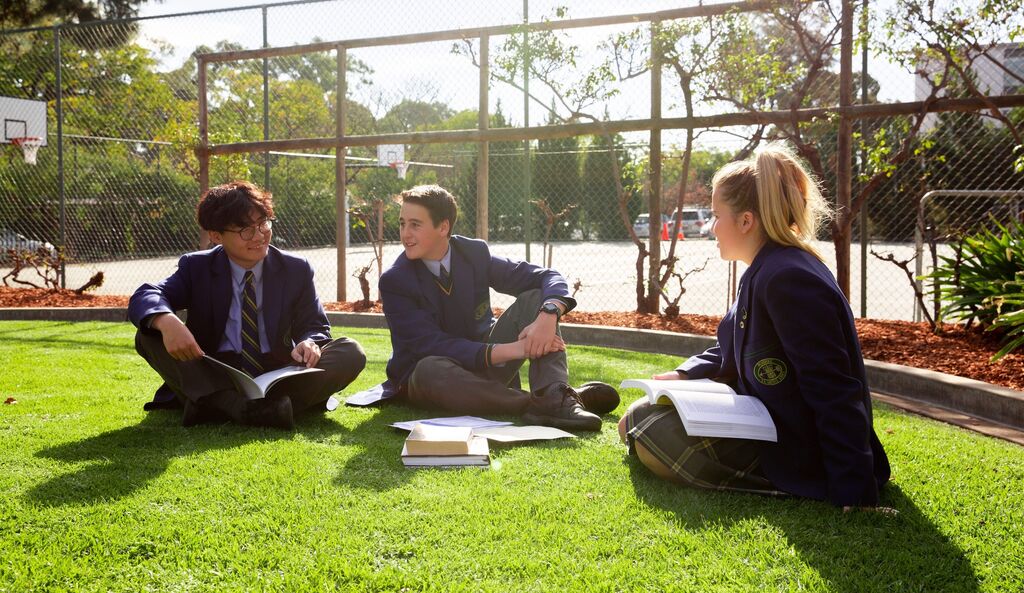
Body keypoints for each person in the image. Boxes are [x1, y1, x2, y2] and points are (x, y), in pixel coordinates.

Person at [619, 143, 891, 509]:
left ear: (746, 221)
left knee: (651, 436)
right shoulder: (763, 269)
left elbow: (833, 388)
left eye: (717, 215)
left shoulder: (788, 278)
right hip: (762, 417)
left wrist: (855, 491)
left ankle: (796, 483)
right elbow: (735, 343)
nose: (712, 227)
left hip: (800, 446)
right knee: (636, 417)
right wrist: (684, 375)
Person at [378, 185, 619, 431]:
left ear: (443, 227)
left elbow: (545, 276)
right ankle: (549, 401)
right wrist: (515, 349)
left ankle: (553, 390)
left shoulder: (473, 254)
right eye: (402, 224)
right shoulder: (395, 281)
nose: (405, 234)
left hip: (486, 365)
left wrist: (549, 313)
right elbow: (431, 345)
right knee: (429, 369)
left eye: (415, 225)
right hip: (434, 379)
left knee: (535, 297)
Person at [129, 181, 366, 429]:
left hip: (279, 374)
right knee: (149, 333)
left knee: (350, 351)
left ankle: (218, 406)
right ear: (216, 236)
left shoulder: (296, 269)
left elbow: (314, 325)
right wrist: (167, 321)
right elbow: (147, 294)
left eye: (263, 223)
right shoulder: (196, 267)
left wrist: (309, 342)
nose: (259, 235)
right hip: (213, 370)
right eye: (245, 230)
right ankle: (254, 408)